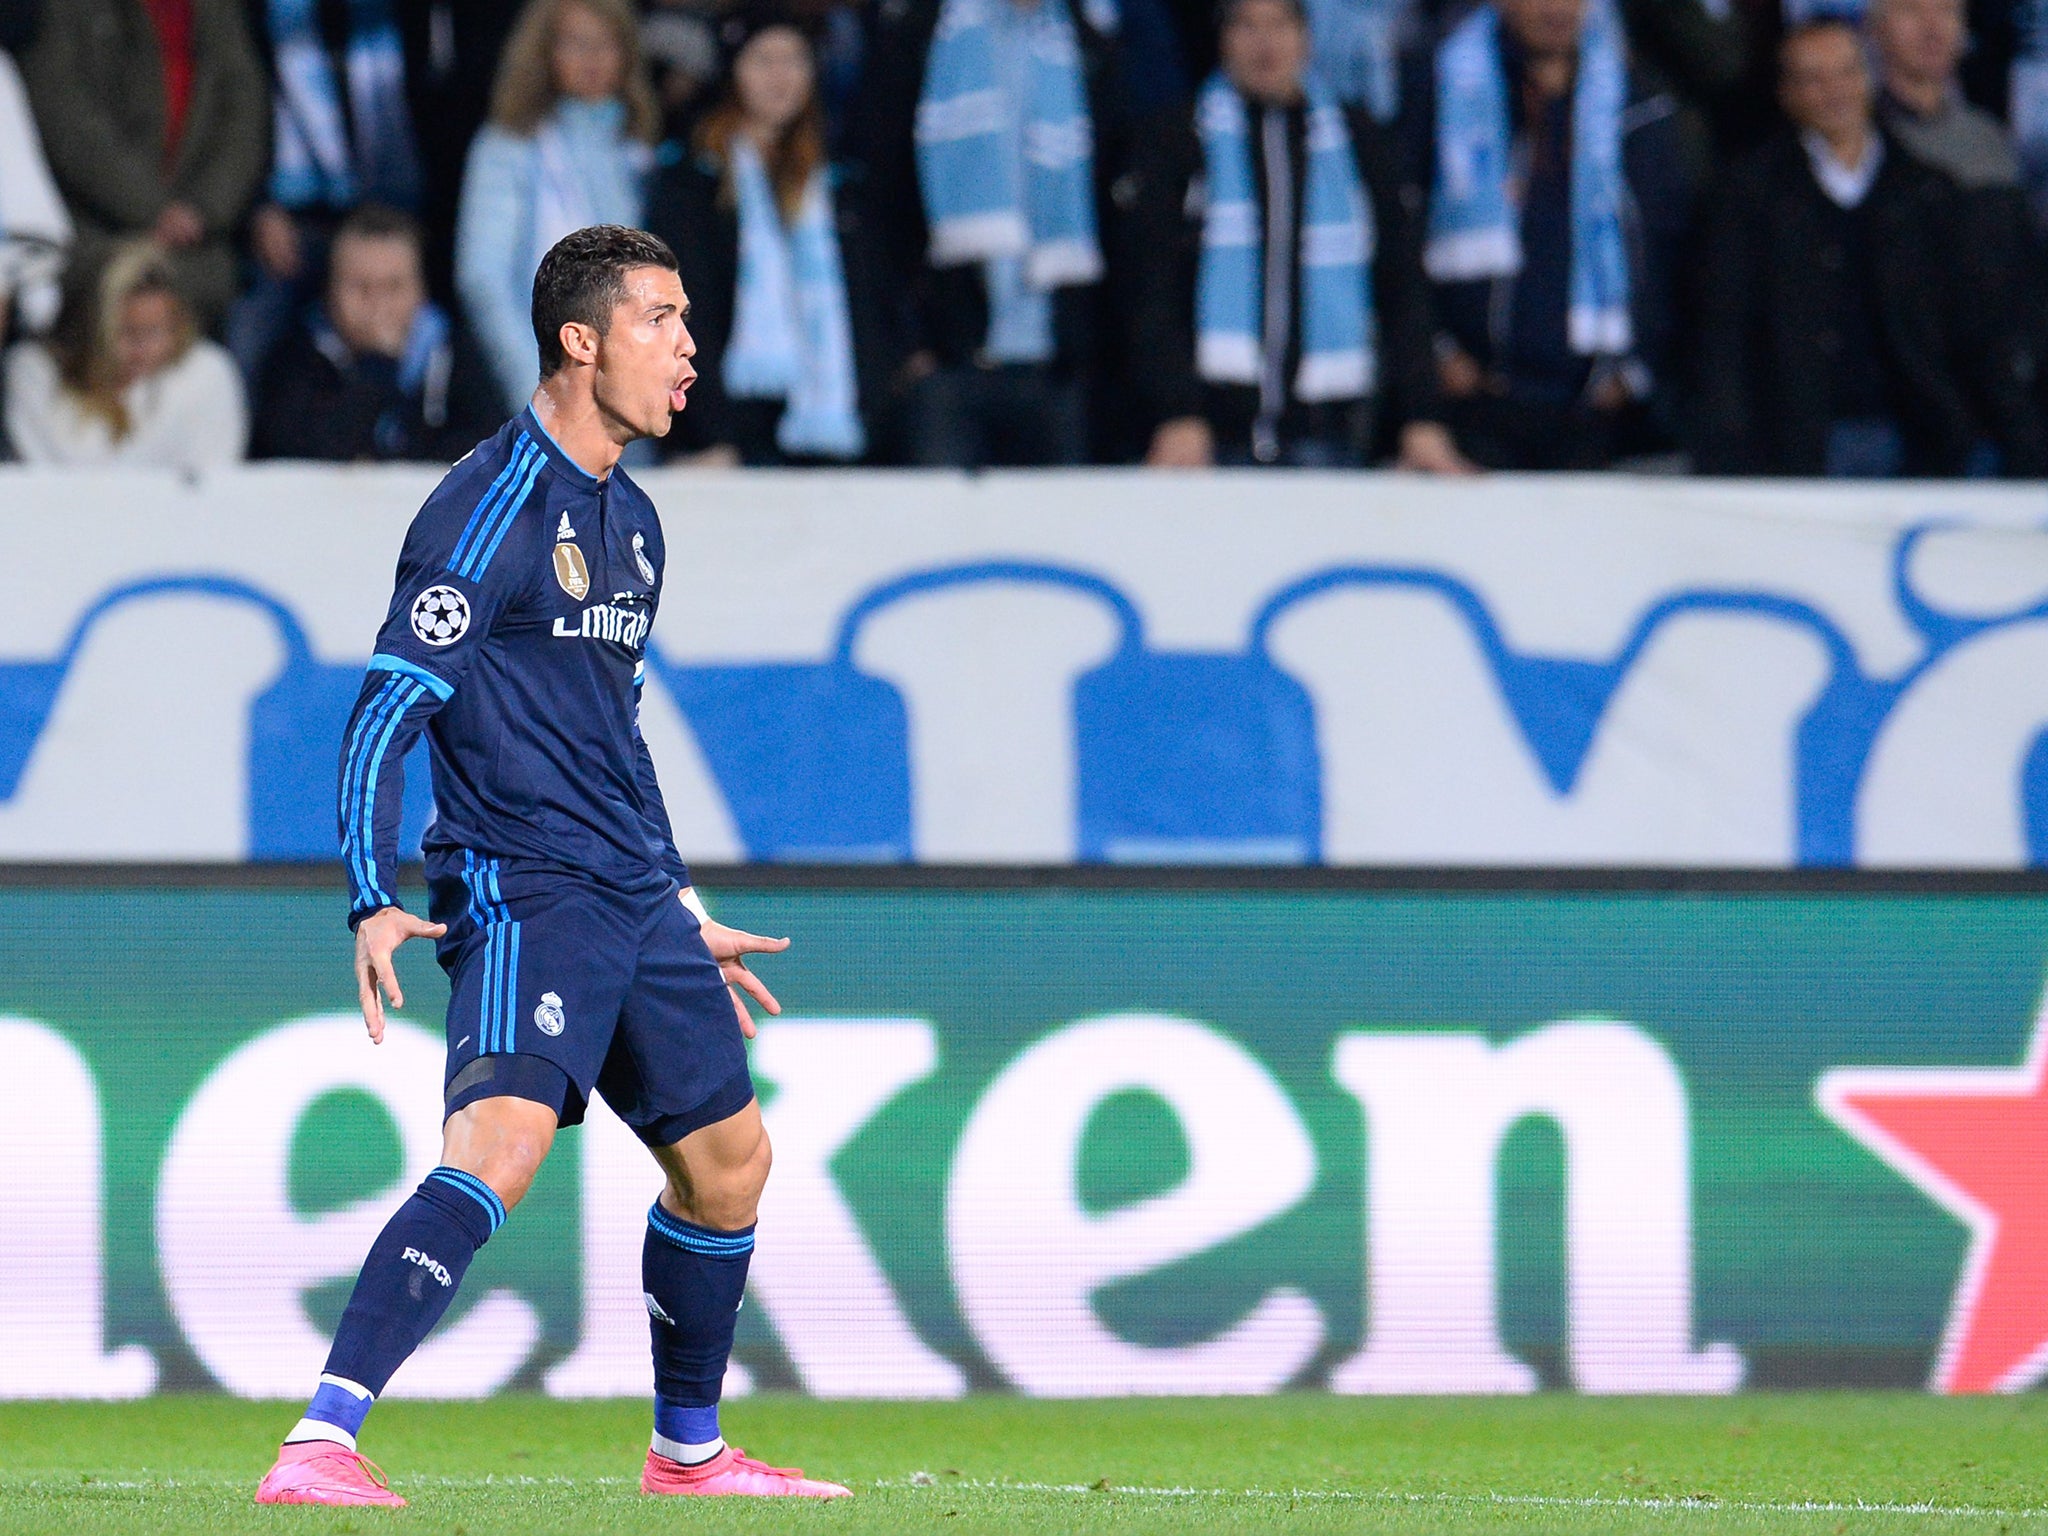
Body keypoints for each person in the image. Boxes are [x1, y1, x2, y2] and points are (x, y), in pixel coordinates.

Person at [252, 225, 851, 1507]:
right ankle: (320, 1440)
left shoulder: (631, 525)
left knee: (730, 1163)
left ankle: (687, 1453)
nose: (690, 347)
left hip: (630, 895)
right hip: (523, 883)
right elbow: (383, 711)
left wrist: (684, 903)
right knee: (503, 1143)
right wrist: (371, 892)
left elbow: (614, 733)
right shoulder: (486, 506)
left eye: (687, 320)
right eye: (661, 320)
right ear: (580, 341)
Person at [1127, 0, 1468, 468]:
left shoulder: (1359, 142)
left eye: (1280, 26)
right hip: (1206, 440)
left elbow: (1402, 289)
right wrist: (1177, 409)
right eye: (1247, 26)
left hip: (1331, 438)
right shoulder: (1179, 140)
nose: (1265, 44)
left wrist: (1420, 418)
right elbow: (1150, 290)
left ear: (1306, 37)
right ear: (1222, 39)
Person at [1695, 18, 2043, 476]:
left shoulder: (1928, 191)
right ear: (1787, 94)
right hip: (1793, 446)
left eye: (1845, 73)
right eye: (1813, 79)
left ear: (1868, 79)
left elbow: (1972, 329)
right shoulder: (1748, 197)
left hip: (1918, 439)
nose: (1833, 91)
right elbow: (1725, 331)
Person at [1404, 0, 1695, 469]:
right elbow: (1403, 234)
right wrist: (1436, 350)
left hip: (1598, 415)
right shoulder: (1445, 88)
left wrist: (1637, 371)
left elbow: (1669, 248)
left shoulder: (1638, 102)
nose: (1556, 8)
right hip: (1475, 407)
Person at [856, 0, 1127, 466]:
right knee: (939, 536)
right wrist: (908, 342)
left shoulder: (1088, 44)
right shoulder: (920, 34)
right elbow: (875, 204)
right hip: (946, 364)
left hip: (1056, 369)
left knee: (1057, 536)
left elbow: (1118, 212)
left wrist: (1088, 351)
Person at [645, 12, 889, 464]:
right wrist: (708, 434)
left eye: (794, 59)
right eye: (763, 60)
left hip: (833, 432)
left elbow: (871, 312)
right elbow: (677, 315)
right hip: (729, 433)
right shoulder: (692, 180)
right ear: (732, 73)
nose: (781, 76)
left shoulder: (839, 183)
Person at [456, 0, 659, 413]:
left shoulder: (641, 150)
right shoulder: (506, 146)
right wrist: (541, 388)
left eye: (606, 44)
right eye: (576, 43)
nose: (593, 59)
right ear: (543, 53)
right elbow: (483, 279)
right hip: (539, 392)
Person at [21, 0, 269, 326]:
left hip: (200, 248)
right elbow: (65, 117)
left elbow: (244, 114)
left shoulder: (218, 11)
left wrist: (204, 208)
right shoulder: (67, 11)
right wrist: (153, 209)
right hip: (98, 236)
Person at [232, 0, 424, 385]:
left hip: (396, 211)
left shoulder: (404, 15)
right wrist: (259, 206)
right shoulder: (255, 12)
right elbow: (235, 111)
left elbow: (438, 112)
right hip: (293, 216)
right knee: (252, 333)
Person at [251, 204, 500, 461]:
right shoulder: (296, 355)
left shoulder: (453, 350)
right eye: (361, 287)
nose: (378, 304)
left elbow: (489, 447)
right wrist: (377, 366)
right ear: (329, 292)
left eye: (393, 287)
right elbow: (293, 448)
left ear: (421, 291)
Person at [3, 240, 246, 468]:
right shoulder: (34, 373)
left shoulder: (207, 373)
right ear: (88, 327)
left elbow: (211, 481)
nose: (142, 350)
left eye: (154, 332)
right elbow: (49, 484)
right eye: (125, 332)